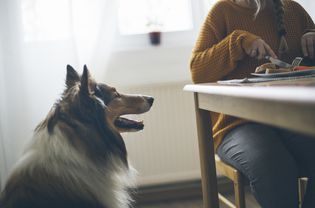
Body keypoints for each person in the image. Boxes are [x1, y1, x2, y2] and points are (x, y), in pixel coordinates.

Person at [190, 0, 315, 207]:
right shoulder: (222, 11)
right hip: (236, 125)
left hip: (291, 120)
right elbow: (197, 71)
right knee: (274, 165)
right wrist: (237, 42)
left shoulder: (293, 10)